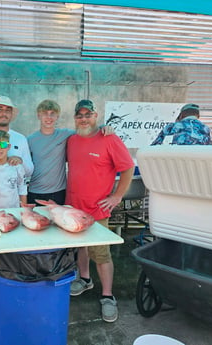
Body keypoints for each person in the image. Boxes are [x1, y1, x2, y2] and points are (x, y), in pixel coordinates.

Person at [66, 99, 134, 323]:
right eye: (80, 115)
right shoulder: (72, 140)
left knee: (101, 254)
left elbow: (127, 168)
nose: (84, 119)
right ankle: (85, 279)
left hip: (97, 210)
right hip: (74, 207)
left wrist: (116, 197)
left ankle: (107, 296)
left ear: (96, 116)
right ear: (75, 118)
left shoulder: (109, 138)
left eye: (88, 114)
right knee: (80, 248)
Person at [27, 99, 115, 205]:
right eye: (45, 114)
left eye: (52, 114)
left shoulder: (65, 134)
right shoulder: (30, 140)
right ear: (38, 116)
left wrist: (103, 127)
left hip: (58, 192)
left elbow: (87, 129)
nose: (49, 117)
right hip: (35, 192)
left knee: (58, 222)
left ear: (57, 117)